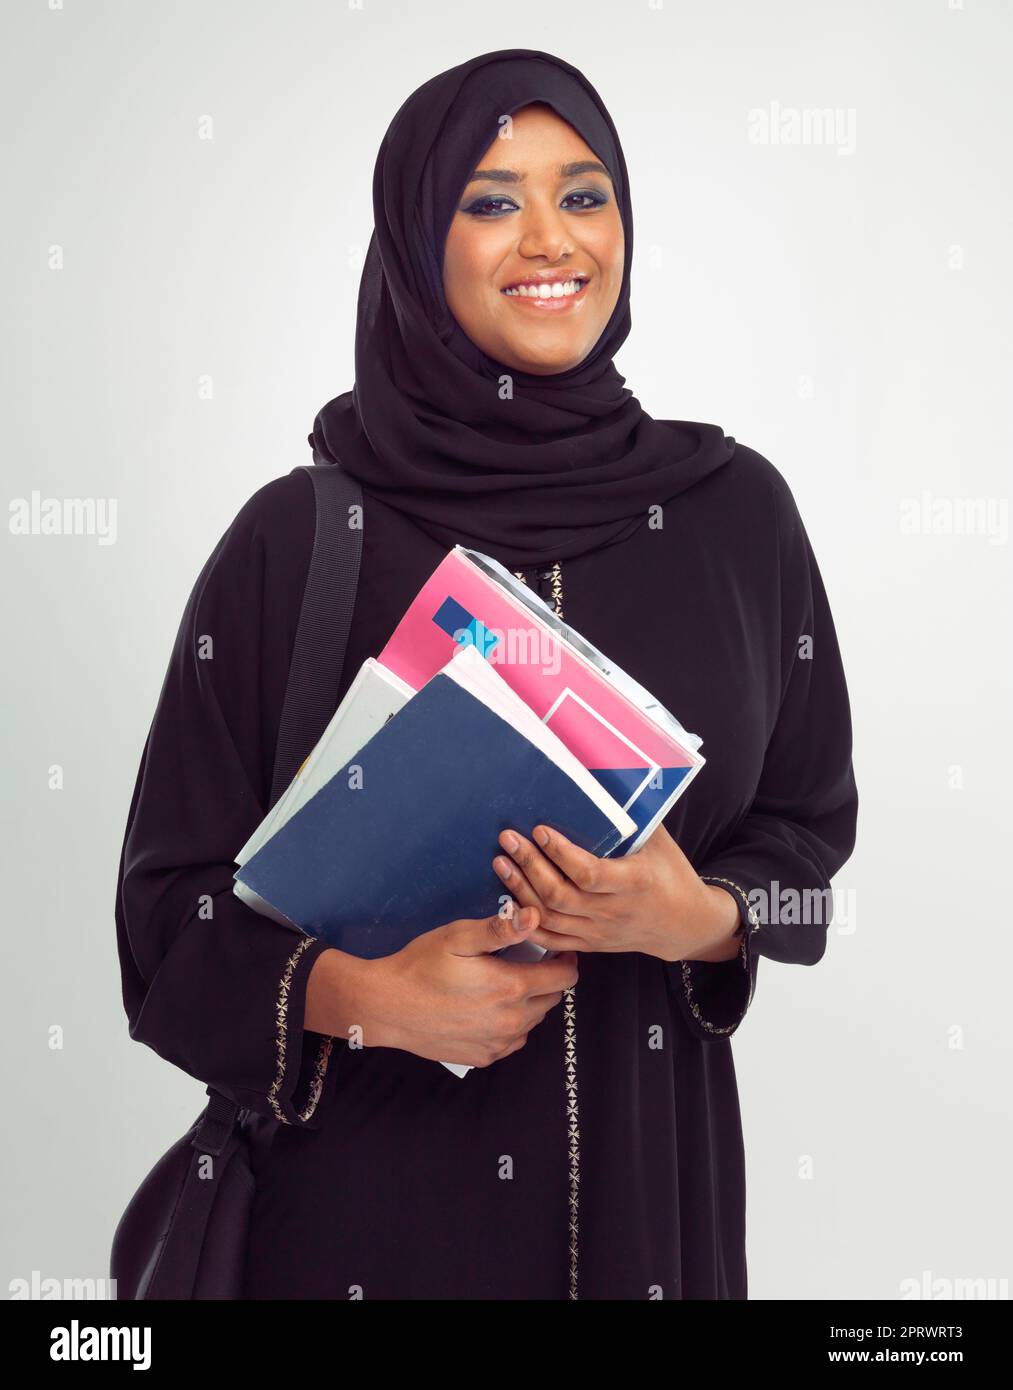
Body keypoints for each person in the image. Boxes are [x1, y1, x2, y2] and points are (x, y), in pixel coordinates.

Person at [113, 48, 859, 1300]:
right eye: (489, 199)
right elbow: (160, 928)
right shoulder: (298, 540)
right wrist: (359, 997)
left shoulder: (734, 517)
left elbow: (809, 870)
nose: (547, 239)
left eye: (582, 193)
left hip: (650, 1221)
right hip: (356, 1229)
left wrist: (707, 920)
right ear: (413, 238)